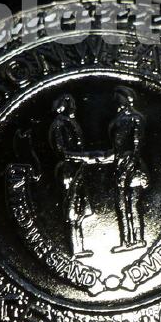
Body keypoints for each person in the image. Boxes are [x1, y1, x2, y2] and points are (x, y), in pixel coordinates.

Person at [49, 94, 94, 258]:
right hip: (69, 170)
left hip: (77, 169)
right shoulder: (59, 124)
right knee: (72, 209)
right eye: (69, 103)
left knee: (80, 209)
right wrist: (85, 157)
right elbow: (62, 151)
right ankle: (76, 249)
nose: (73, 106)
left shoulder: (70, 122)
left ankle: (79, 247)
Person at [108, 86, 149, 252]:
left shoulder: (135, 118)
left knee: (133, 204)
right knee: (121, 205)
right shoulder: (116, 120)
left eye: (119, 98)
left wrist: (130, 163)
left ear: (127, 99)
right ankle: (126, 241)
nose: (116, 101)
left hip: (133, 166)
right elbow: (115, 147)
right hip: (119, 164)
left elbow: (137, 144)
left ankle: (138, 239)